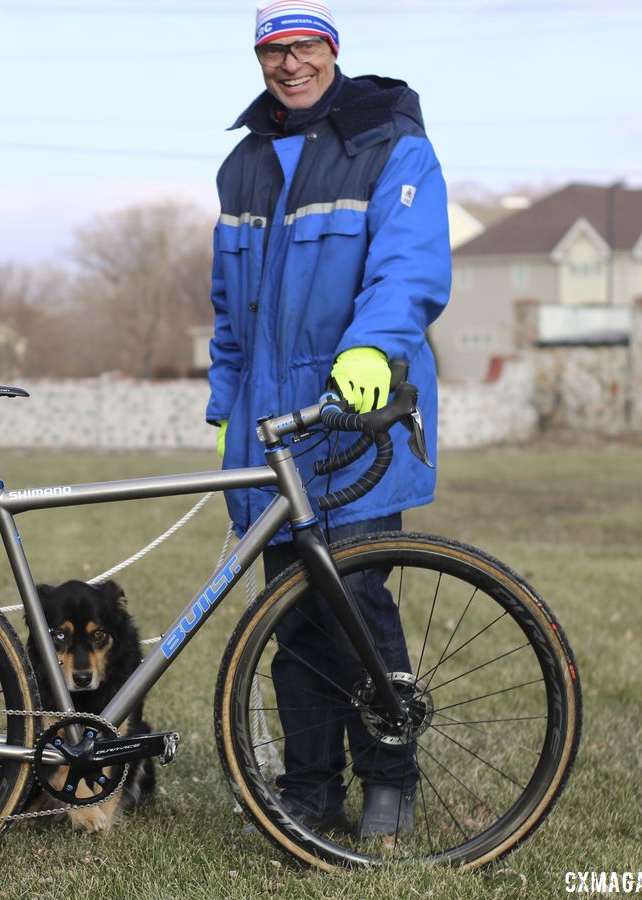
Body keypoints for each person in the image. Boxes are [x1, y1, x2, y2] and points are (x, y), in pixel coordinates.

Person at [206, 1, 451, 839]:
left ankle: (390, 777)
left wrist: (372, 349)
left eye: (304, 46)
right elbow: (229, 312)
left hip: (353, 412)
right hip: (268, 430)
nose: (289, 64)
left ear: (332, 50)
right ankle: (310, 794)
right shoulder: (242, 165)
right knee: (292, 616)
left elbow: (408, 267)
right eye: (273, 50)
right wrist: (222, 406)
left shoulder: (388, 141)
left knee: (351, 597)